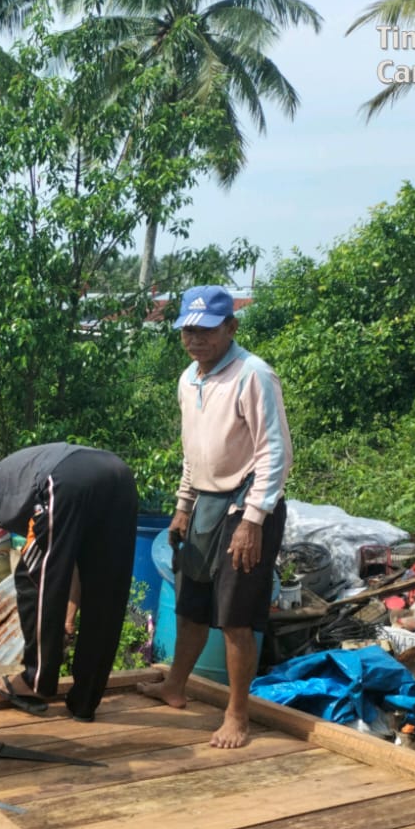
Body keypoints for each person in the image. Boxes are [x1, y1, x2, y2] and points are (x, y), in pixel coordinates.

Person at [137, 285, 293, 749]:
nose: (195, 339)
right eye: (188, 330)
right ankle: (175, 685)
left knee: (236, 616)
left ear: (230, 328)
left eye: (205, 330)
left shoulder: (253, 375)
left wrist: (253, 520)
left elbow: (275, 453)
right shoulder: (189, 379)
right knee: (191, 603)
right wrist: (183, 506)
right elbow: (193, 451)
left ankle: (237, 714)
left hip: (246, 505)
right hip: (204, 503)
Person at [0, 445, 138, 721]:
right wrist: (68, 617)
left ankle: (35, 681)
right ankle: (85, 700)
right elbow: (66, 566)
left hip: (65, 476)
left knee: (29, 577)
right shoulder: (15, 501)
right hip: (119, 475)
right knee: (106, 588)